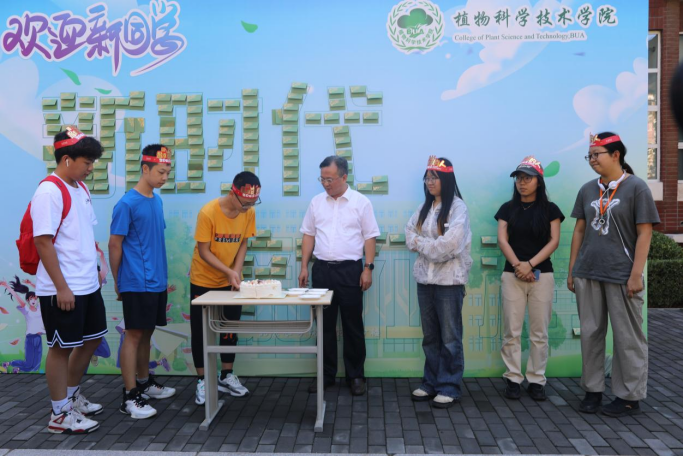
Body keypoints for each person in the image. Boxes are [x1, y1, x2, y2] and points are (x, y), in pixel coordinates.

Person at [568, 133, 660, 417]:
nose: (592, 160)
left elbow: (645, 233)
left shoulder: (636, 188)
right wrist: (573, 270)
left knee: (627, 337)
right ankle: (593, 390)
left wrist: (636, 274)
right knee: (590, 334)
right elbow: (579, 230)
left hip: (622, 275)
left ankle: (629, 397)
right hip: (588, 272)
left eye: (597, 154)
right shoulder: (587, 190)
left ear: (616, 154)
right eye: (590, 155)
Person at [32, 127, 106, 433]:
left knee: (92, 339)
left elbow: (83, 233)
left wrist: (96, 267)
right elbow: (43, 242)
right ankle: (59, 414)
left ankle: (72, 397)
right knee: (61, 348)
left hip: (87, 283)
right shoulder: (49, 191)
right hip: (62, 288)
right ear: (66, 159)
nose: (90, 168)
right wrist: (61, 287)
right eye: (86, 162)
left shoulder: (81, 188)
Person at [299, 156, 379, 396]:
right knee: (324, 326)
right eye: (322, 179)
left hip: (350, 271)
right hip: (322, 271)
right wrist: (304, 266)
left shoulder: (361, 202)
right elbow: (308, 235)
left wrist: (368, 268)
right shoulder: (316, 202)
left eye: (330, 179)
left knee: (352, 325)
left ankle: (356, 376)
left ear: (344, 177)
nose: (325, 184)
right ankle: (326, 375)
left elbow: (370, 236)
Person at [109, 144, 176, 420]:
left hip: (157, 281)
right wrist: (118, 281)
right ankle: (129, 395)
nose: (164, 177)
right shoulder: (127, 203)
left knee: (147, 333)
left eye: (167, 172)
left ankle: (144, 382)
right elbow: (115, 244)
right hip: (136, 281)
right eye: (160, 172)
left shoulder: (156, 201)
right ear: (145, 168)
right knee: (134, 335)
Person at [495, 156, 564, 401]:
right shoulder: (507, 208)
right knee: (511, 331)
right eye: (519, 179)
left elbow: (554, 241)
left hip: (541, 275)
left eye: (527, 178)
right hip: (512, 275)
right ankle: (513, 378)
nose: (522, 183)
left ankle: (536, 380)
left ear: (539, 181)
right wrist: (518, 265)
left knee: (539, 332)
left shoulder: (550, 210)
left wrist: (530, 264)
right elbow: (502, 240)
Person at [405, 156, 472, 408]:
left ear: (446, 179)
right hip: (425, 281)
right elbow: (408, 234)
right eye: (427, 177)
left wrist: (423, 245)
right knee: (430, 336)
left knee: (450, 338)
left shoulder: (458, 208)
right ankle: (430, 383)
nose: (430, 182)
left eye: (434, 177)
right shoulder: (424, 207)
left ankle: (449, 387)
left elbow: (450, 245)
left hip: (449, 283)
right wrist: (429, 246)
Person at [190, 172, 260, 405]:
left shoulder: (248, 212)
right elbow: (204, 251)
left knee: (230, 328)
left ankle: (226, 375)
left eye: (253, 203)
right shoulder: (208, 212)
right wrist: (228, 271)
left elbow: (243, 243)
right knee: (201, 331)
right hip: (203, 279)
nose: (248, 207)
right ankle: (202, 380)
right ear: (233, 193)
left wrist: (235, 272)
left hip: (230, 280)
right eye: (245, 203)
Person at [0, 276, 45, 373]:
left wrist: (31, 284)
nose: (34, 300)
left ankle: (17, 369)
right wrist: (7, 287)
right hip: (30, 338)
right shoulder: (27, 310)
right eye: (31, 298)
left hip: (38, 338)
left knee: (35, 367)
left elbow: (42, 293)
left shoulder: (39, 309)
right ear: (28, 300)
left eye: (35, 298)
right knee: (29, 364)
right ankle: (9, 363)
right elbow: (17, 297)